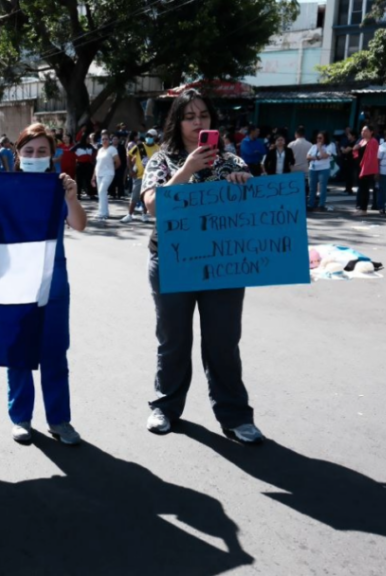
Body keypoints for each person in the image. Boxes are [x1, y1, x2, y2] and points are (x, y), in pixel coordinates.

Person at [138, 89, 263, 444]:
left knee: (223, 343)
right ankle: (165, 406)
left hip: (223, 263)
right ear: (177, 122)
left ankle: (235, 416)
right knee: (173, 341)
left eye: (203, 116)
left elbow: (253, 210)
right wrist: (187, 169)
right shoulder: (162, 160)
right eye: (189, 117)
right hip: (173, 260)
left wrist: (245, 186)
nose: (197, 123)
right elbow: (153, 206)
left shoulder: (232, 161)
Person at [2, 123, 87, 445]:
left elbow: (79, 224)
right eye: (29, 151)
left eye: (42, 151)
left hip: (54, 280)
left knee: (54, 352)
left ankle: (59, 420)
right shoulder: (4, 187)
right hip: (14, 281)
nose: (35, 156)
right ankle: (21, 417)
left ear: (52, 155)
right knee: (18, 351)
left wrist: (72, 198)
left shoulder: (59, 187)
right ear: (18, 154)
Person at [121, 130, 158, 223]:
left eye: (151, 136)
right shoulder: (139, 146)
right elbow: (129, 155)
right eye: (147, 135)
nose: (149, 138)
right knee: (134, 196)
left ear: (155, 137)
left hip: (150, 176)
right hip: (139, 176)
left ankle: (144, 215)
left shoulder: (158, 148)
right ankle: (129, 215)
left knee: (145, 197)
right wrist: (130, 169)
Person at [90, 132, 119, 221]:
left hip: (108, 174)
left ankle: (102, 213)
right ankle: (104, 212)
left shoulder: (112, 149)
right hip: (99, 174)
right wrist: (93, 177)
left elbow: (118, 162)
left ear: (109, 140)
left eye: (106, 139)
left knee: (102, 191)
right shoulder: (100, 150)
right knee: (101, 193)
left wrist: (112, 169)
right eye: (103, 139)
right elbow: (97, 164)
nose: (104, 141)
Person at [353, 125, 380, 215]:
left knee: (365, 189)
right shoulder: (361, 141)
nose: (363, 132)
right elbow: (356, 153)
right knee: (361, 188)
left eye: (365, 131)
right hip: (360, 167)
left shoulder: (373, 141)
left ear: (371, 132)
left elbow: (372, 157)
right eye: (362, 131)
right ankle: (360, 207)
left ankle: (363, 209)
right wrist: (355, 149)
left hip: (367, 168)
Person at [306, 131, 336, 211]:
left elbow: (324, 156)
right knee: (312, 187)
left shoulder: (330, 145)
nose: (318, 140)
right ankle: (310, 204)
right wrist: (316, 157)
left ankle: (321, 204)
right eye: (317, 138)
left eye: (320, 138)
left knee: (322, 187)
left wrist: (319, 148)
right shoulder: (313, 146)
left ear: (324, 138)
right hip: (313, 168)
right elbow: (308, 156)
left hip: (324, 168)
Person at [73, 133, 95, 199]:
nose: (89, 140)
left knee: (89, 180)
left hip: (88, 165)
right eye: (87, 139)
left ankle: (91, 194)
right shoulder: (78, 146)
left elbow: (94, 152)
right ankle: (78, 194)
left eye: (89, 139)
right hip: (80, 164)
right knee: (79, 180)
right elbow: (71, 152)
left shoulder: (90, 146)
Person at [339, 128, 359, 195]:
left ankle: (349, 189)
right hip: (347, 161)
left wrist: (342, 148)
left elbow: (345, 151)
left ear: (353, 136)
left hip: (352, 161)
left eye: (349, 135)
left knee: (350, 175)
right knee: (347, 175)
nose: (348, 136)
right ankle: (347, 188)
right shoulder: (349, 142)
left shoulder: (354, 143)